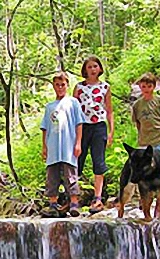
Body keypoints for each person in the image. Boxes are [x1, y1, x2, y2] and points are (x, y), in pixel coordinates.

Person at [41, 71, 85, 216]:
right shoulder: (49, 106)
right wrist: (44, 146)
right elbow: (45, 128)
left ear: (67, 85)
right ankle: (53, 204)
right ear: (54, 86)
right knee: (52, 176)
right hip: (53, 146)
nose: (60, 87)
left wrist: (78, 143)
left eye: (62, 85)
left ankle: (73, 203)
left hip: (68, 146)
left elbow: (79, 123)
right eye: (57, 85)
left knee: (70, 175)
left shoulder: (73, 102)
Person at [73, 56, 114, 211]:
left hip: (99, 126)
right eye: (89, 67)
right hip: (82, 127)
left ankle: (97, 198)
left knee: (99, 161)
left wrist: (111, 131)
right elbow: (73, 109)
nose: (92, 69)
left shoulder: (105, 87)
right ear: (85, 70)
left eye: (95, 66)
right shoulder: (79, 87)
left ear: (100, 68)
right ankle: (73, 198)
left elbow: (109, 110)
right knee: (77, 161)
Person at [131, 72, 160, 206]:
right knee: (142, 168)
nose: (146, 89)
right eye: (143, 86)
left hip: (159, 139)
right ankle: (144, 195)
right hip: (144, 141)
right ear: (140, 87)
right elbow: (137, 122)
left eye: (149, 86)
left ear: (154, 87)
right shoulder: (137, 105)